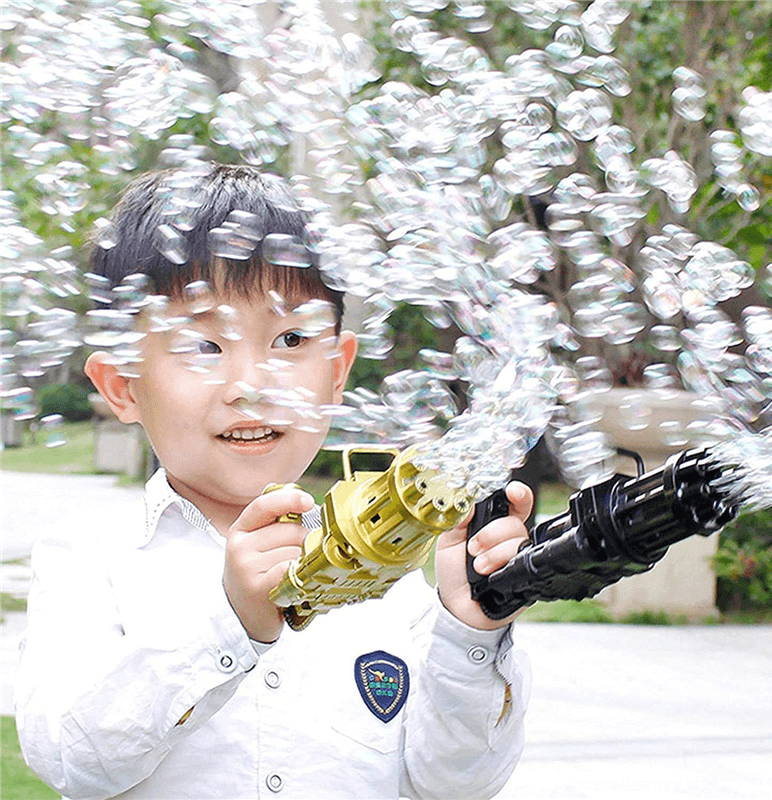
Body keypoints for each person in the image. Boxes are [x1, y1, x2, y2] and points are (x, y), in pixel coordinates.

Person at [15, 165, 533, 800]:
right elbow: (73, 761)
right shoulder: (89, 561)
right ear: (122, 385)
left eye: (290, 338)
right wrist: (230, 622)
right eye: (203, 345)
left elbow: (456, 782)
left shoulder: (387, 577)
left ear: (338, 371)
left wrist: (469, 631)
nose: (252, 385)